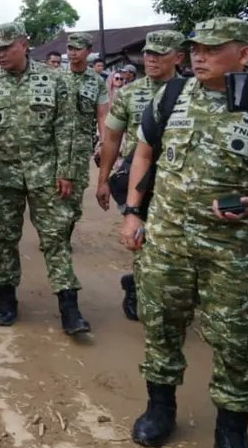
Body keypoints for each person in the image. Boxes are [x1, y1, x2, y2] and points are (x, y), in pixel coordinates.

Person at [120, 17, 248, 448]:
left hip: (233, 247)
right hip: (168, 240)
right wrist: (133, 212)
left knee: (236, 336)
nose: (199, 56)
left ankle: (231, 427)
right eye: (195, 49)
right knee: (162, 323)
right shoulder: (172, 95)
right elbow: (145, 153)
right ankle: (160, 408)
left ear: (243, 53)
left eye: (212, 48)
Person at [0, 21, 90, 335]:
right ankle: (7, 300)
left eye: (7, 47)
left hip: (45, 174)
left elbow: (67, 130)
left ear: (24, 44)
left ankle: (69, 308)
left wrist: (67, 172)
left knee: (55, 239)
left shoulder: (54, 80)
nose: (1, 54)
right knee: (5, 239)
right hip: (3, 176)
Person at [95, 30, 185, 322]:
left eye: (160, 53)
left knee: (176, 241)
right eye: (148, 53)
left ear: (179, 57)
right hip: (139, 177)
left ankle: (149, 284)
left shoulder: (192, 92)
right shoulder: (130, 93)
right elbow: (111, 138)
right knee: (141, 237)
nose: (151, 58)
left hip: (179, 179)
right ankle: (139, 286)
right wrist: (103, 179)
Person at [60, 33, 109, 243]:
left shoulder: (97, 82)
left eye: (78, 49)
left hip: (81, 147)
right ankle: (54, 238)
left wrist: (103, 141)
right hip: (55, 145)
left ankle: (65, 235)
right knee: (53, 193)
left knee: (75, 192)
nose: (73, 53)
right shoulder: (56, 77)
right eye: (70, 48)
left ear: (89, 51)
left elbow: (102, 114)